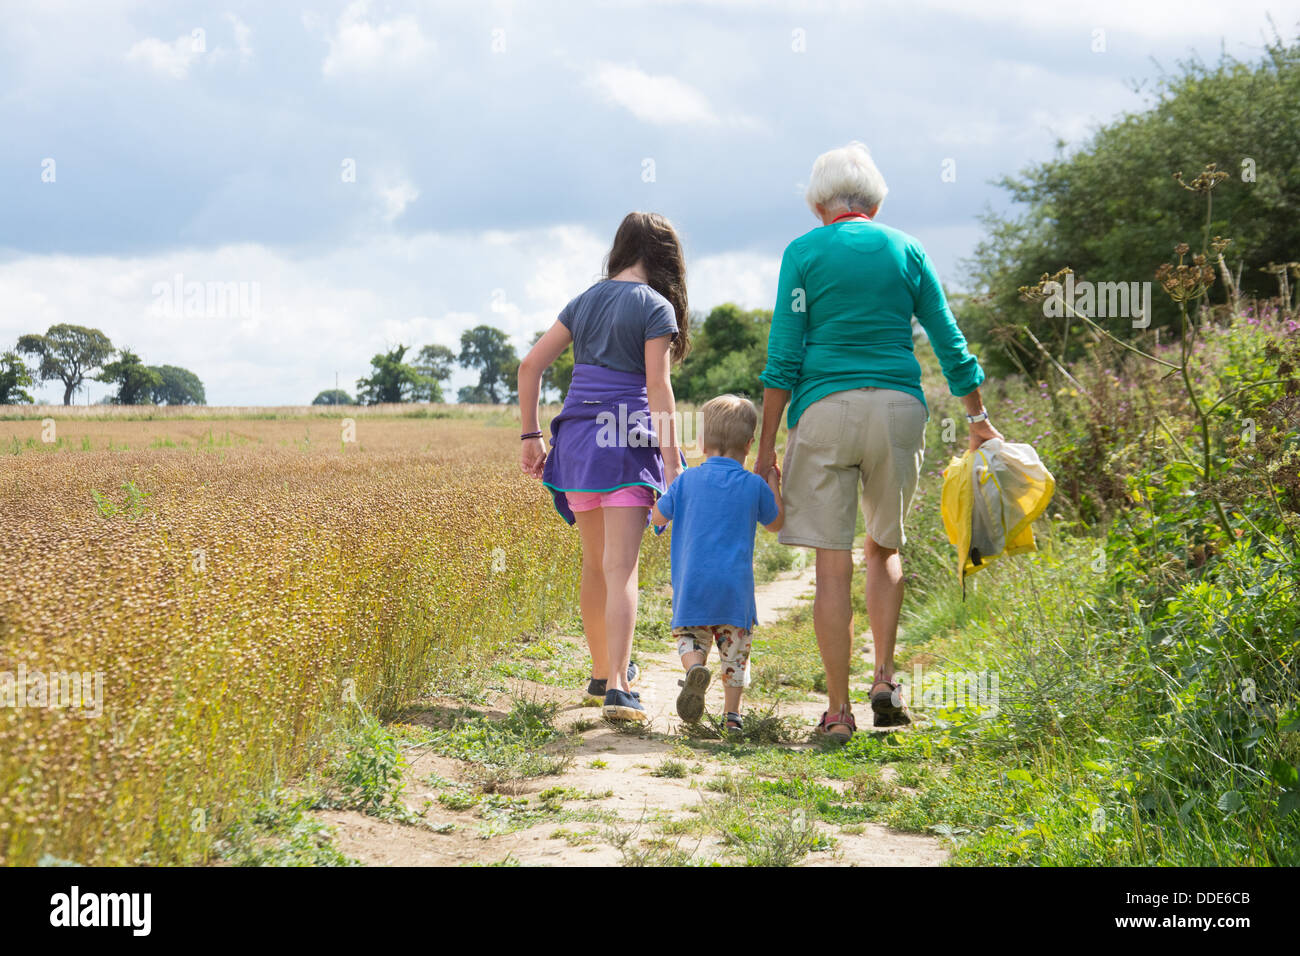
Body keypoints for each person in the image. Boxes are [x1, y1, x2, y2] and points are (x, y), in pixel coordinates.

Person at [755, 142, 1003, 740]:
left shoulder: (803, 252)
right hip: (898, 410)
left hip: (824, 410)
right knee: (884, 548)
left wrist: (764, 452)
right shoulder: (907, 249)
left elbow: (784, 355)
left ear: (820, 203)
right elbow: (947, 337)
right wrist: (977, 417)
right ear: (873, 200)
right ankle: (886, 680)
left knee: (831, 563)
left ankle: (837, 712)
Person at [517, 211, 690, 722]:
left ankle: (600, 673)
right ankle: (619, 686)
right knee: (623, 567)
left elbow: (530, 366)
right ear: (664, 258)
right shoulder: (655, 306)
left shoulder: (584, 300)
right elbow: (657, 387)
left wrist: (530, 435)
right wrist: (673, 462)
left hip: (574, 447)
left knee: (596, 566)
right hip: (624, 445)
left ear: (620, 249)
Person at [651, 395, 783, 732]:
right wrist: (774, 483)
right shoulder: (753, 485)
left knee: (689, 637)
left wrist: (666, 491)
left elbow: (658, 516)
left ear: (700, 442)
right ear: (749, 444)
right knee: (734, 655)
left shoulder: (686, 481)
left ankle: (695, 668)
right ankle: (732, 717)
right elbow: (775, 523)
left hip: (693, 587)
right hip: (734, 593)